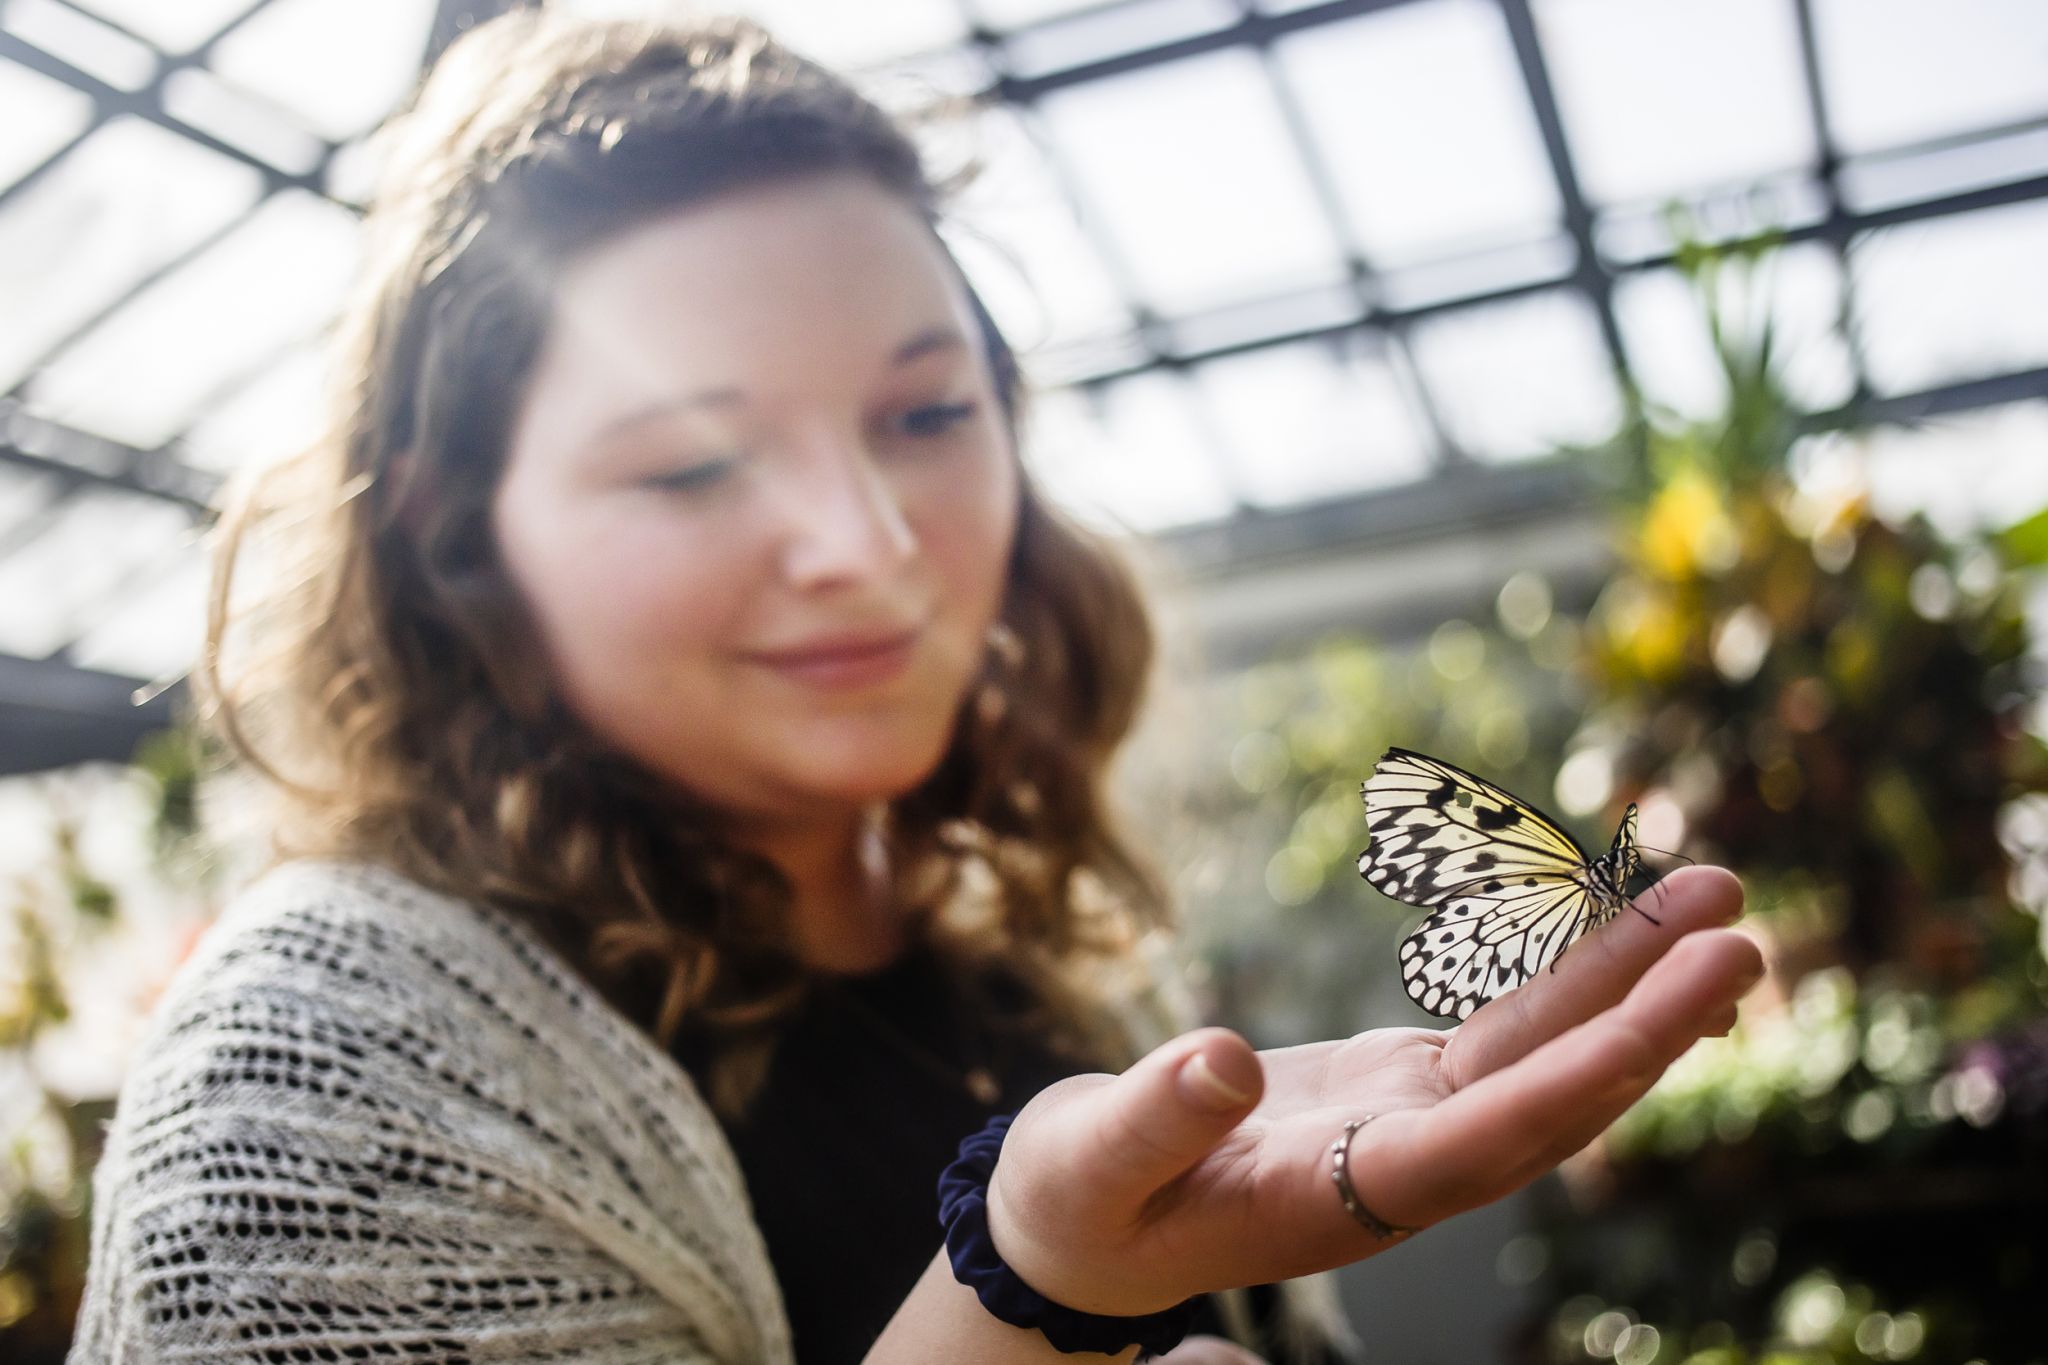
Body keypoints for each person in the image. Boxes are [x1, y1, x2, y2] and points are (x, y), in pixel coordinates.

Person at [66, 11, 1762, 1364]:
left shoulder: (1066, 981)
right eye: (693, 465)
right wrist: (1036, 1294)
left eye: (926, 416)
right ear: (456, 537)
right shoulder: (320, 1082)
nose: (869, 543)